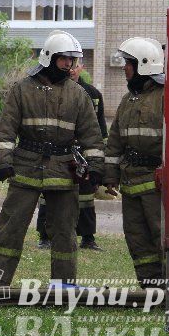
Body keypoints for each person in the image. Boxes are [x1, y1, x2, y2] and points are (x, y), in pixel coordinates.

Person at [0, 30, 104, 287]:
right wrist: (3, 162)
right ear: (49, 57)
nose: (69, 65)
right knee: (10, 228)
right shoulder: (22, 90)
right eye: (64, 59)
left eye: (72, 60)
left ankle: (63, 285)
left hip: (62, 171)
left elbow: (92, 137)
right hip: (25, 168)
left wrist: (95, 168)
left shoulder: (78, 95)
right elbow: (6, 131)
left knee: (65, 232)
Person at [104, 37, 165, 287]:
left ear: (143, 65)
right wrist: (109, 177)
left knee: (160, 235)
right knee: (137, 238)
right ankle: (150, 286)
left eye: (128, 63)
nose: (124, 69)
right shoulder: (127, 100)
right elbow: (115, 141)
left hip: (157, 183)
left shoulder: (166, 97)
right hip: (130, 183)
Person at [36, 60, 108, 251]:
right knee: (49, 193)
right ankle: (45, 236)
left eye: (75, 65)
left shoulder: (93, 94)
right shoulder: (52, 90)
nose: (71, 69)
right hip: (58, 151)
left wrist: (100, 161)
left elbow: (100, 131)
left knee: (86, 196)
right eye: (69, 65)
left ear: (82, 67)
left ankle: (88, 238)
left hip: (83, 153)